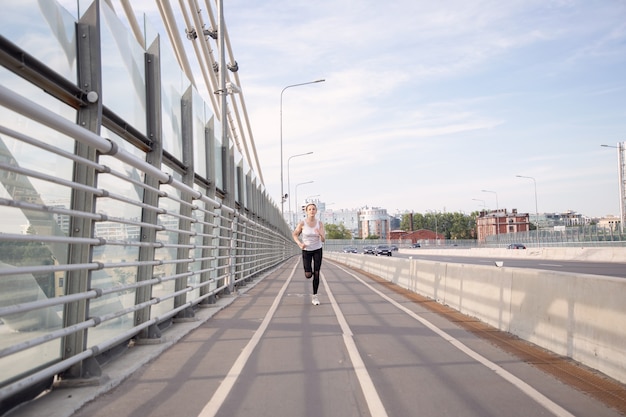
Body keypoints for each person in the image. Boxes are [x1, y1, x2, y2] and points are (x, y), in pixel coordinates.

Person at [292, 202, 325, 305]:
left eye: (313, 209)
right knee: (308, 275)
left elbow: (323, 240)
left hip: (317, 249)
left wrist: (320, 234)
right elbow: (295, 235)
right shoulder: (302, 223)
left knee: (316, 272)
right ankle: (308, 272)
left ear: (316, 211)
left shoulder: (320, 223)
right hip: (306, 250)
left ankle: (315, 296)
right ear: (306, 211)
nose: (312, 211)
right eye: (310, 209)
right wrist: (299, 244)